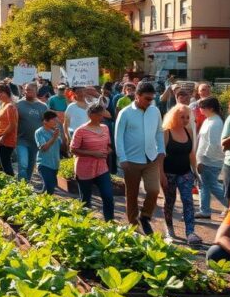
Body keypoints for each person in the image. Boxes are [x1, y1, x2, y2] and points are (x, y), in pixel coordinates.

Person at [115, 81, 165, 235]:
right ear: (137, 96)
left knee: (154, 190)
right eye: (147, 98)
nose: (150, 102)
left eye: (152, 98)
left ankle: (145, 216)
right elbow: (118, 137)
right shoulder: (125, 113)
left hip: (151, 158)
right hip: (131, 161)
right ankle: (133, 223)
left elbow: (158, 132)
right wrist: (122, 158)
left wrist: (161, 150)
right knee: (132, 194)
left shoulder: (154, 111)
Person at [161, 104, 202, 245]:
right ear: (174, 116)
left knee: (188, 201)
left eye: (187, 117)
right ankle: (169, 229)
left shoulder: (188, 130)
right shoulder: (166, 131)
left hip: (185, 173)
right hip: (169, 173)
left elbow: (191, 153)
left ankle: (190, 232)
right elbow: (161, 156)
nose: (185, 120)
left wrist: (195, 171)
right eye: (182, 117)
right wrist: (161, 175)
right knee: (170, 202)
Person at [70, 104, 115, 220]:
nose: (103, 117)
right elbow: (73, 149)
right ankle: (84, 224)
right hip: (84, 169)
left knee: (108, 196)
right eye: (100, 115)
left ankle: (110, 223)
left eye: (103, 114)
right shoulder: (81, 131)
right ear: (91, 115)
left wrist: (108, 151)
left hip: (101, 168)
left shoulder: (105, 128)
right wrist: (93, 153)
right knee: (86, 200)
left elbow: (108, 146)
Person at [194, 96, 228, 219]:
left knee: (210, 185)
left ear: (211, 108)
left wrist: (202, 159)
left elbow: (213, 144)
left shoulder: (215, 122)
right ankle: (205, 210)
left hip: (210, 160)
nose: (200, 109)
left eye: (202, 107)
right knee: (204, 185)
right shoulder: (209, 120)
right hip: (206, 159)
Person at [16, 83, 49, 181]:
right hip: (21, 140)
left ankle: (26, 184)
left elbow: (46, 124)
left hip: (35, 142)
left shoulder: (43, 106)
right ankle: (21, 185)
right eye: (26, 90)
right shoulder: (18, 104)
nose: (27, 92)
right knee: (23, 164)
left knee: (30, 164)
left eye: (30, 90)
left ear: (36, 91)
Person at [35, 110, 63, 195]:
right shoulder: (39, 132)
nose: (56, 122)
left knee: (49, 187)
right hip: (44, 163)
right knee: (50, 186)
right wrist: (54, 137)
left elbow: (62, 147)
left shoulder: (55, 132)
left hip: (55, 164)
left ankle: (39, 201)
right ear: (45, 121)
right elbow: (44, 148)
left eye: (56, 119)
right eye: (53, 120)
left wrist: (63, 134)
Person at [0, 85, 18, 175]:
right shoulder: (3, 105)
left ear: (7, 93)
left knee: (5, 164)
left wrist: (2, 137)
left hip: (6, 140)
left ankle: (12, 185)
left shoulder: (10, 107)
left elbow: (12, 125)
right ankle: (1, 184)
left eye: (1, 92)